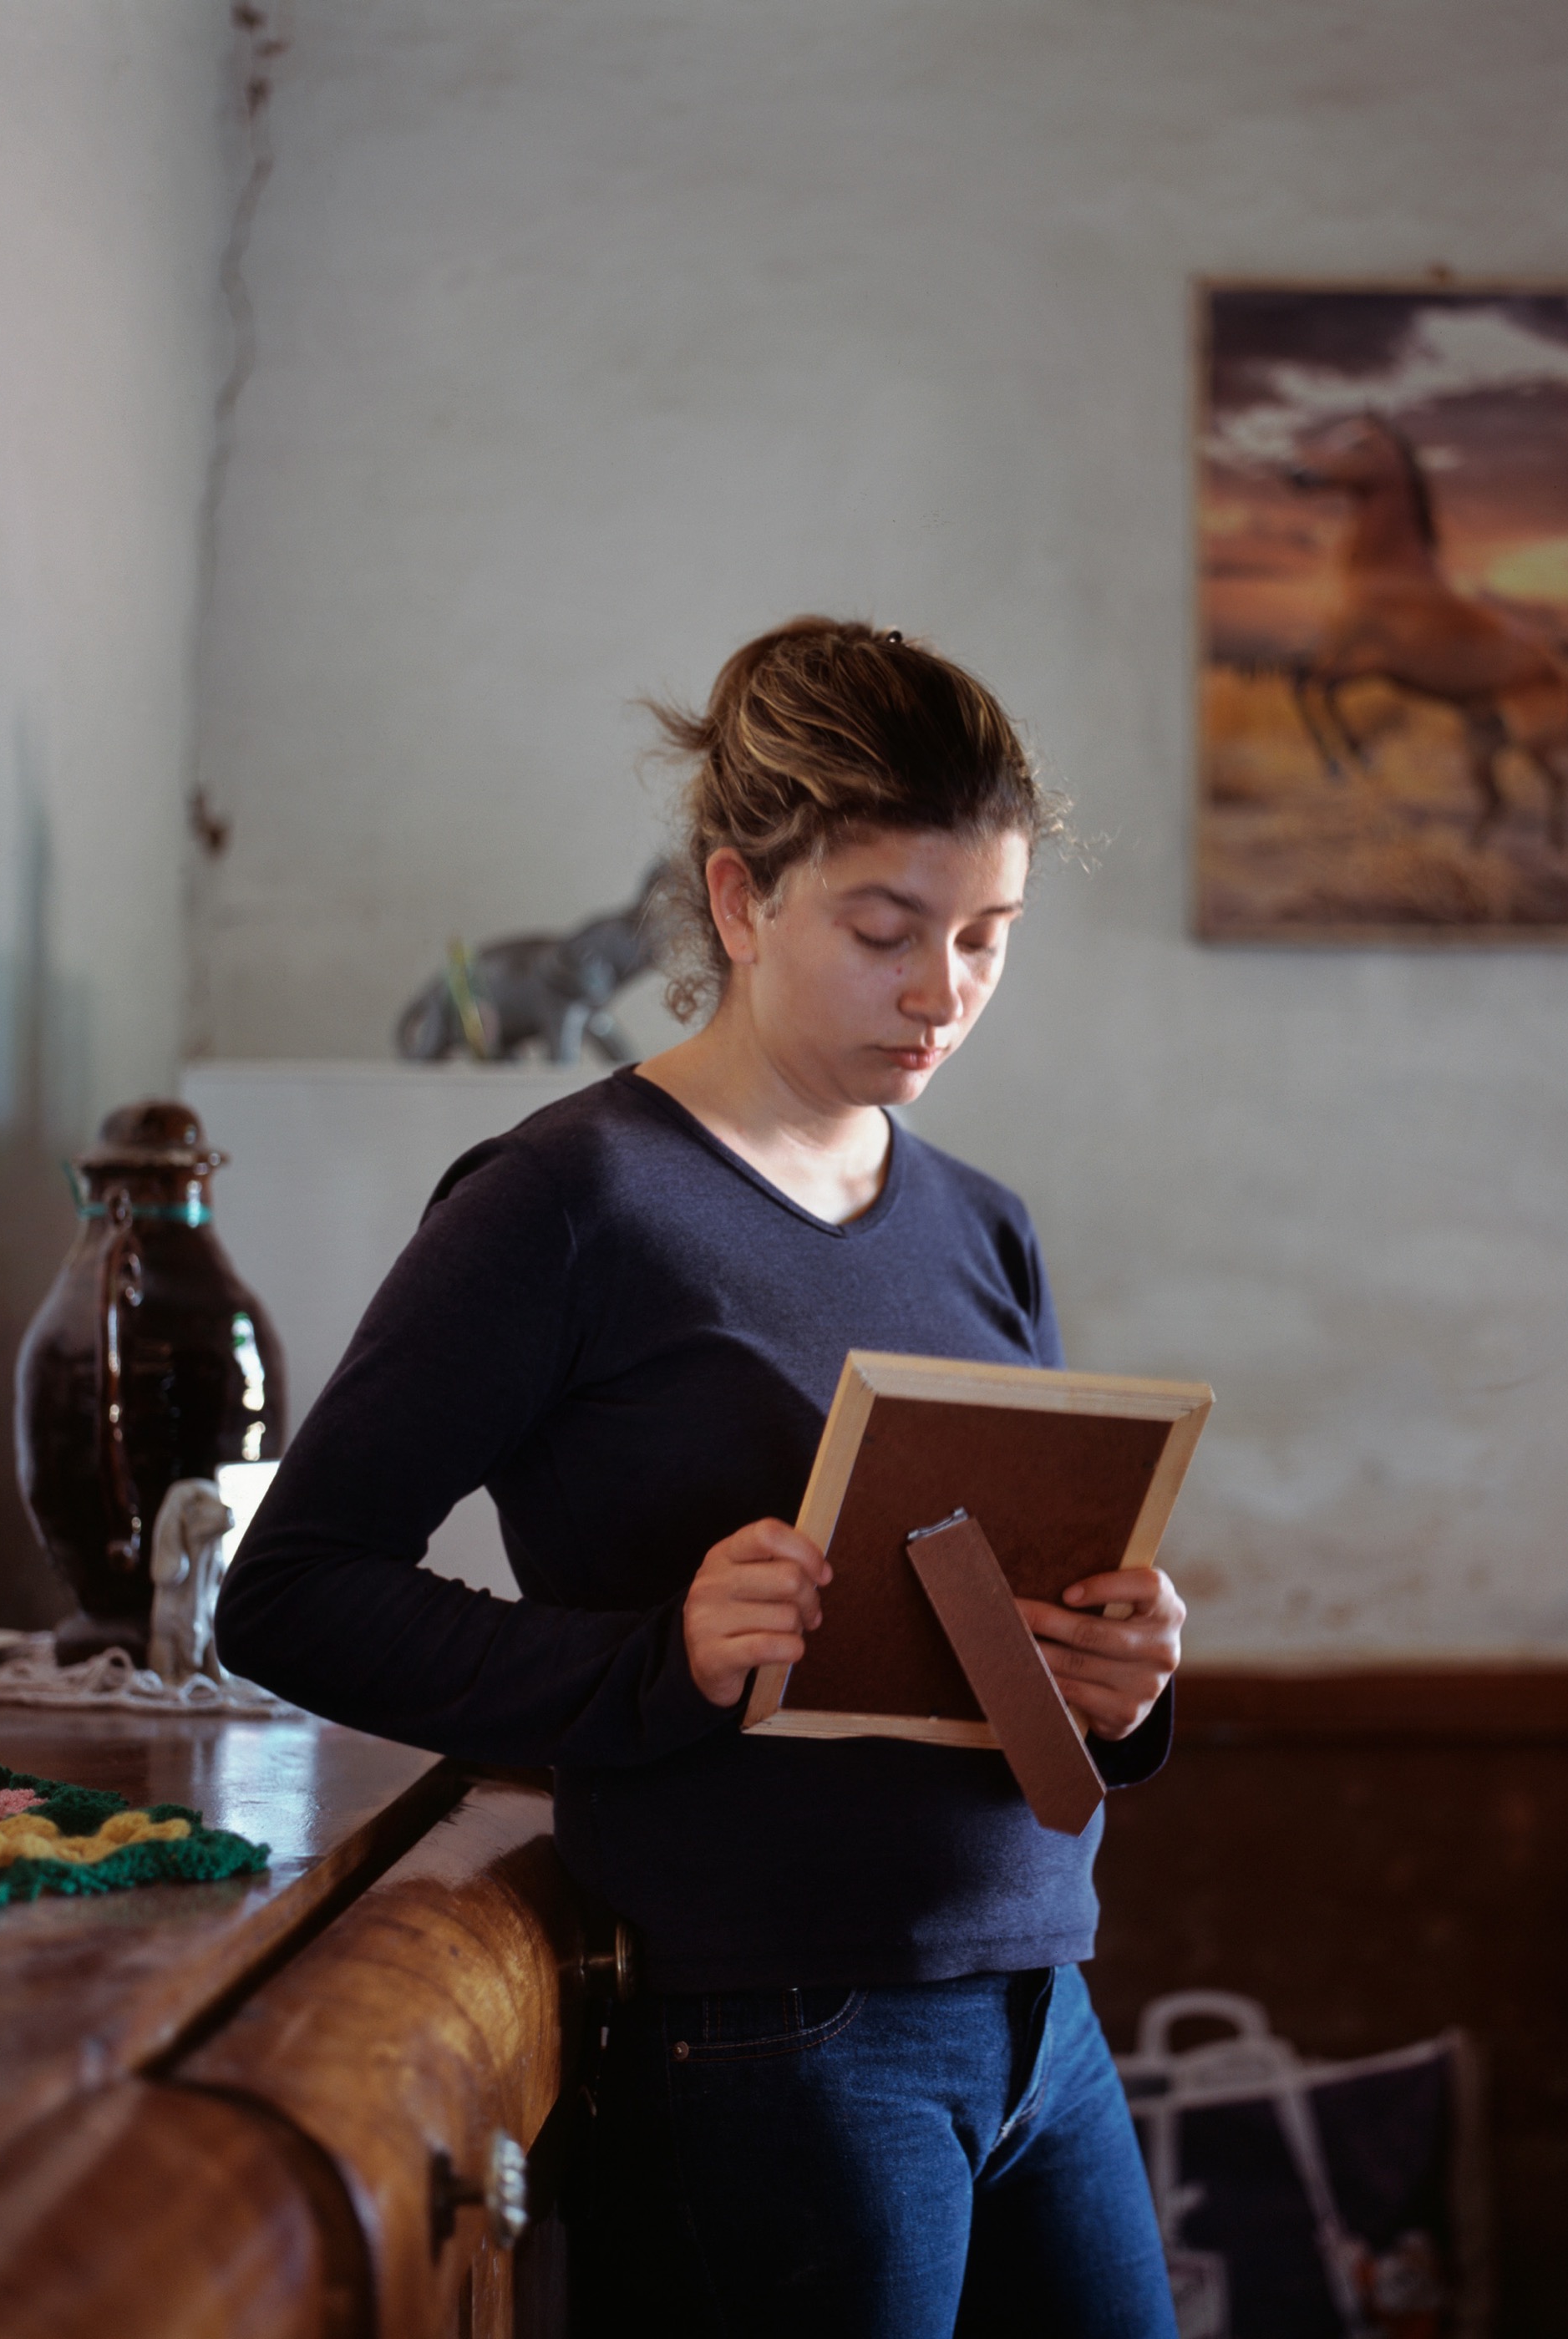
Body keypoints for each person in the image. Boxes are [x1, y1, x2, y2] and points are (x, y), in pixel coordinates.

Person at [216, 617, 1186, 2339]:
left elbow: (973, 1630)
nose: (941, 989)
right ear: (739, 900)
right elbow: (291, 1592)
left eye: (986, 935)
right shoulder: (564, 1201)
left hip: (1044, 2003)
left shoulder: (985, 1226)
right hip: (775, 2027)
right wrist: (653, 1658)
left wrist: (1117, 1683)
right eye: (883, 929)